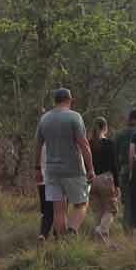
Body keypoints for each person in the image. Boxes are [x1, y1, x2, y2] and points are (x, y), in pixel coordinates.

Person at [36, 88, 95, 237]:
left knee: (58, 210)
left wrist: (37, 168)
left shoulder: (44, 119)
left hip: (51, 171)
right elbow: (84, 144)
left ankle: (61, 245)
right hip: (73, 169)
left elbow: (37, 145)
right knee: (82, 203)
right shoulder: (74, 117)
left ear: (55, 101)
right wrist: (90, 168)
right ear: (69, 100)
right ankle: (72, 230)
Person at [88, 117, 120, 242]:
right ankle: (101, 230)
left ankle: (100, 242)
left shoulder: (88, 143)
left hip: (91, 181)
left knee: (98, 211)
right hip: (106, 179)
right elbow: (114, 165)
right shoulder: (109, 144)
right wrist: (117, 184)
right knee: (111, 209)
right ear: (105, 128)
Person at [113, 109, 136, 230]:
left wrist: (116, 176)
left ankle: (127, 231)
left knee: (128, 203)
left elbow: (114, 157)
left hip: (124, 171)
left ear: (130, 119)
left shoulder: (119, 134)